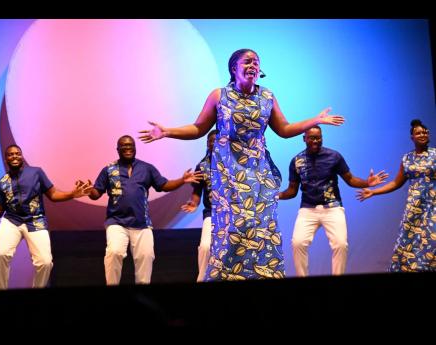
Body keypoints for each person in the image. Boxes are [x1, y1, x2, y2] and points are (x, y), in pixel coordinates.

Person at [139, 48, 345, 281]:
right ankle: (227, 276)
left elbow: (285, 129)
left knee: (260, 227)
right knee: (233, 228)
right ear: (233, 68)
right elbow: (199, 128)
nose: (253, 65)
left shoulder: (267, 96)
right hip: (227, 172)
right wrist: (167, 131)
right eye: (247, 61)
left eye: (256, 62)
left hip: (258, 172)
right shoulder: (219, 96)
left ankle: (263, 275)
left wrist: (314, 120)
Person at [87, 135, 202, 285]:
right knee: (114, 252)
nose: (128, 148)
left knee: (146, 257)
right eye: (124, 146)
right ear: (117, 149)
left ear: (135, 148)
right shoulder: (108, 169)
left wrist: (182, 180)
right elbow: (96, 193)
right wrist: (90, 190)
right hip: (116, 222)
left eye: (131, 145)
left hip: (142, 223)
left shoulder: (146, 168)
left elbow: (164, 185)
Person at [0, 145, 92, 289]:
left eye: (17, 153)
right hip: (12, 221)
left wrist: (71, 194)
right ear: (6, 159)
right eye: (10, 155)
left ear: (22, 156)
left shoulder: (36, 172)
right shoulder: (3, 182)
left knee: (45, 262)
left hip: (36, 220)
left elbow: (53, 194)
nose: (14, 156)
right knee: (1, 253)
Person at [279, 126, 388, 276]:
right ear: (304, 139)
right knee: (297, 243)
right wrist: (275, 196)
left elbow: (350, 179)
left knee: (341, 245)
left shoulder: (334, 156)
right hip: (308, 209)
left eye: (319, 137)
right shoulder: (296, 161)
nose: (316, 141)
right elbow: (291, 191)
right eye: (312, 138)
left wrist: (367, 183)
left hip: (333, 207)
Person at [357, 119, 435, 272]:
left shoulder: (435, 154)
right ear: (412, 137)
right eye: (418, 133)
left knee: (432, 241)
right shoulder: (407, 158)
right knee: (408, 241)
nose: (422, 135)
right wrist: (373, 191)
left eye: (425, 132)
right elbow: (396, 183)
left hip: (433, 207)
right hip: (415, 207)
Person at [181, 129, 217, 282]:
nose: (213, 143)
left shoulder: (234, 163)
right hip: (212, 213)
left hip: (234, 213)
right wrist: (194, 203)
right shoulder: (201, 166)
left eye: (216, 140)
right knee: (206, 247)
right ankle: (201, 279)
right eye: (210, 141)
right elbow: (197, 191)